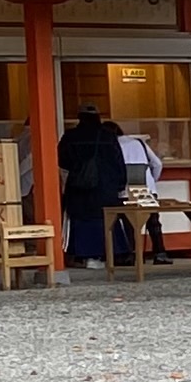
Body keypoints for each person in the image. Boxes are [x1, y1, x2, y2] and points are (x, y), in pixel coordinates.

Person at [56, 105, 125, 269]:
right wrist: (120, 185)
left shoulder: (71, 136)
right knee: (106, 221)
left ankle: (84, 255)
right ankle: (108, 254)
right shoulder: (108, 136)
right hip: (106, 188)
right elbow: (118, 163)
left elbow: (62, 159)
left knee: (82, 221)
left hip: (79, 187)